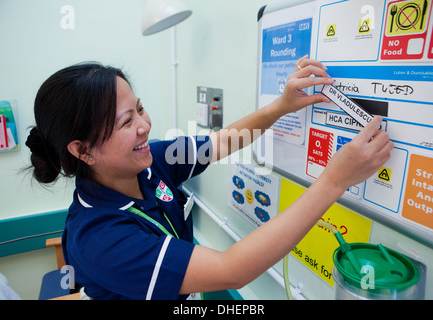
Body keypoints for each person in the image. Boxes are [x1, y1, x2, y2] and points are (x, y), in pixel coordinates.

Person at [25, 57, 393, 300]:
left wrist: (281, 106)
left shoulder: (148, 162)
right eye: (126, 122)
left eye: (140, 109)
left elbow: (221, 142)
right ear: (82, 150)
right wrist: (334, 182)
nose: (144, 126)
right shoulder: (101, 238)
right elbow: (230, 271)